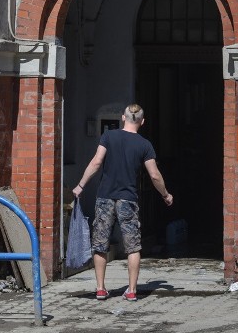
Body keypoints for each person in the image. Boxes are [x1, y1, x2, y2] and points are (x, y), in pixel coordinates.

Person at [72, 104, 173, 301]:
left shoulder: (109, 137)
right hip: (128, 199)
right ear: (142, 122)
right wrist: (165, 195)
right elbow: (154, 175)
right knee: (133, 246)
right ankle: (132, 291)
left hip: (105, 197)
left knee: (100, 244)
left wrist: (81, 185)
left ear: (123, 118)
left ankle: (101, 289)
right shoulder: (145, 145)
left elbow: (96, 162)